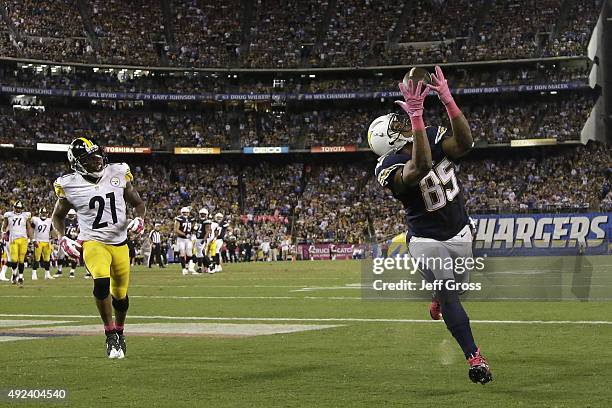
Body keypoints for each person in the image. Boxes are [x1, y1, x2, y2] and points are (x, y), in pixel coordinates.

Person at [369, 66, 492, 384]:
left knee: (457, 290)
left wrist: (448, 100)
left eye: (403, 117)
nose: (404, 121)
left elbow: (466, 143)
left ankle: (439, 297)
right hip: (426, 240)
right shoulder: (388, 166)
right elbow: (421, 165)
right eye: (397, 123)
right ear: (388, 142)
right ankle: (474, 358)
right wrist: (417, 115)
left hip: (460, 230)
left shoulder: (433, 136)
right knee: (450, 291)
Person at [52, 137, 146, 359]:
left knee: (120, 296)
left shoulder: (118, 172)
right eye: (89, 157)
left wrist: (140, 219)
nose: (97, 159)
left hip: (120, 243)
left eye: (97, 154)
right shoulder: (69, 185)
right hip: (93, 243)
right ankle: (110, 333)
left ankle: (120, 332)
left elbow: (138, 204)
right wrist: (62, 238)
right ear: (77, 163)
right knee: (101, 282)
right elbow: (57, 216)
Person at [2, 201, 32, 286]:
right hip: (13, 239)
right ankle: (14, 274)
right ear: (14, 207)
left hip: (23, 239)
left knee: (22, 259)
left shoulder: (25, 215)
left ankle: (21, 277)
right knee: (14, 260)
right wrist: (4, 233)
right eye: (17, 208)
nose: (18, 209)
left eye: (20, 208)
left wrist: (32, 239)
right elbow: (4, 227)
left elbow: (29, 227)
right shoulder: (8, 215)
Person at [31, 208, 55, 280]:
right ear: (40, 213)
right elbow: (31, 229)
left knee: (47, 259)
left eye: (45, 212)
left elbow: (51, 230)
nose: (44, 214)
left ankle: (47, 274)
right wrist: (33, 239)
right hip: (38, 241)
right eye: (43, 212)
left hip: (47, 241)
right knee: (37, 258)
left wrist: (53, 239)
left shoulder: (49, 221)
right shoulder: (35, 220)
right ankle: (34, 274)